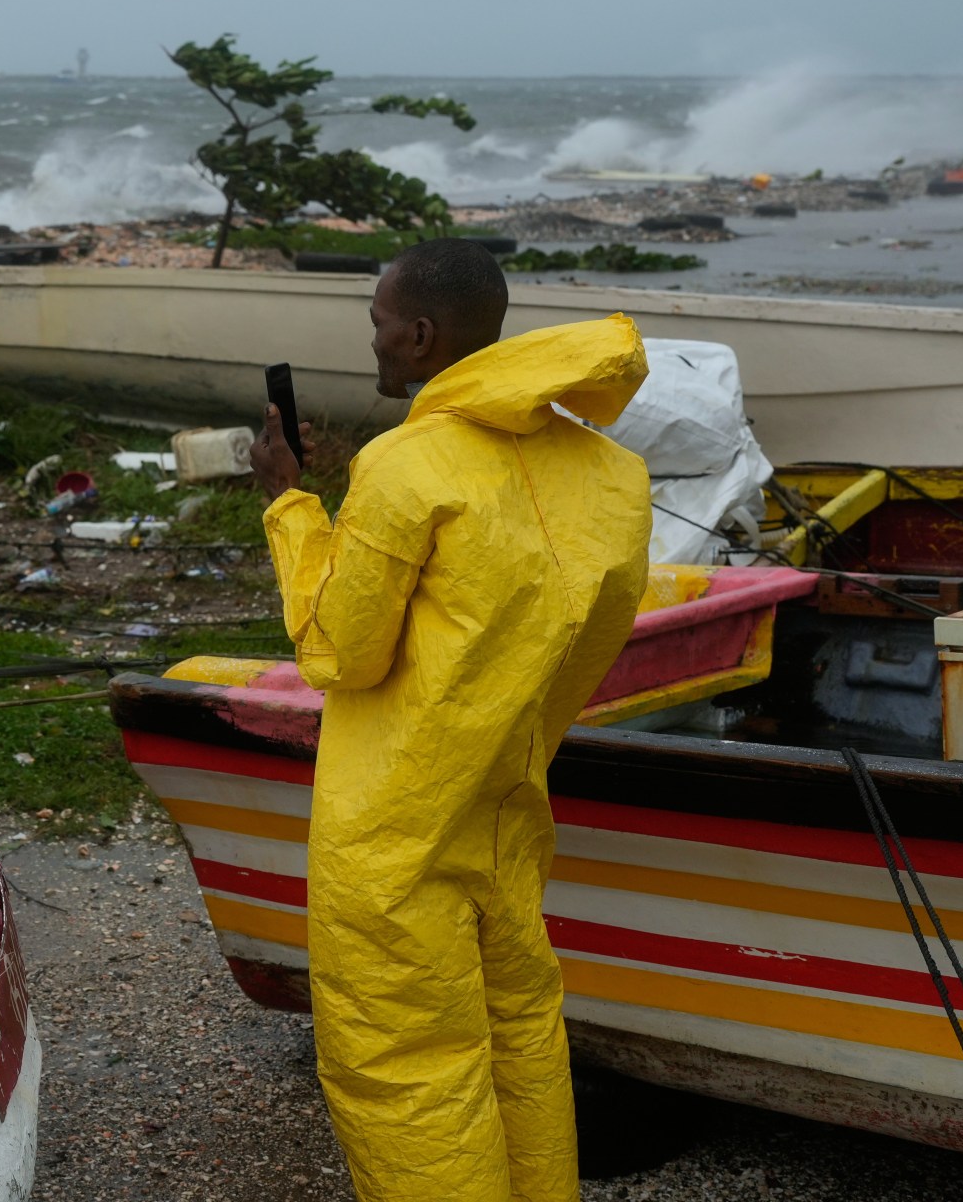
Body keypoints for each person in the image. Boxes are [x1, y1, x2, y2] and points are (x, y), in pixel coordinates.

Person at [249, 237, 652, 1202]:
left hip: (394, 828)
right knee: (520, 1031)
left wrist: (290, 507)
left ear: (422, 334)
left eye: (381, 327)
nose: (377, 346)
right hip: (507, 802)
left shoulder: (406, 465)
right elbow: (582, 648)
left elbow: (341, 654)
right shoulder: (614, 477)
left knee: (407, 1065)